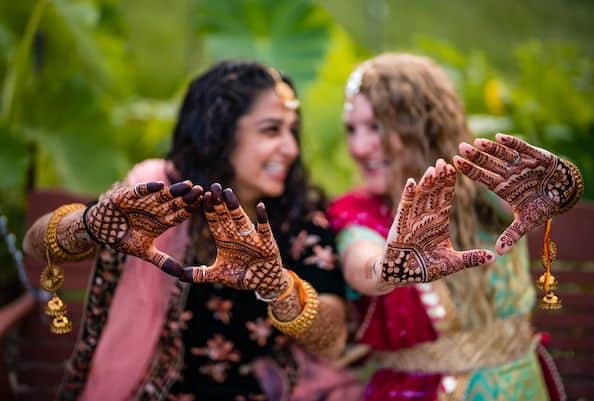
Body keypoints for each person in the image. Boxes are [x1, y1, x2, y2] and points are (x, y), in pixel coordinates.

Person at [23, 60, 361, 401]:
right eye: (271, 130)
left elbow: (333, 340)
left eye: (292, 131)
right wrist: (90, 225)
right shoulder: (162, 196)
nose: (290, 148)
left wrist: (280, 288)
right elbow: (35, 243)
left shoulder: (298, 221)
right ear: (221, 132)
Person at [327, 53, 582, 401]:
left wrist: (561, 190)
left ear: (425, 126)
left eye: (377, 127)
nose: (358, 147)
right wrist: (386, 269)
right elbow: (363, 262)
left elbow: (530, 202)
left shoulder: (482, 187)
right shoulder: (357, 211)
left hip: (525, 385)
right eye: (352, 128)